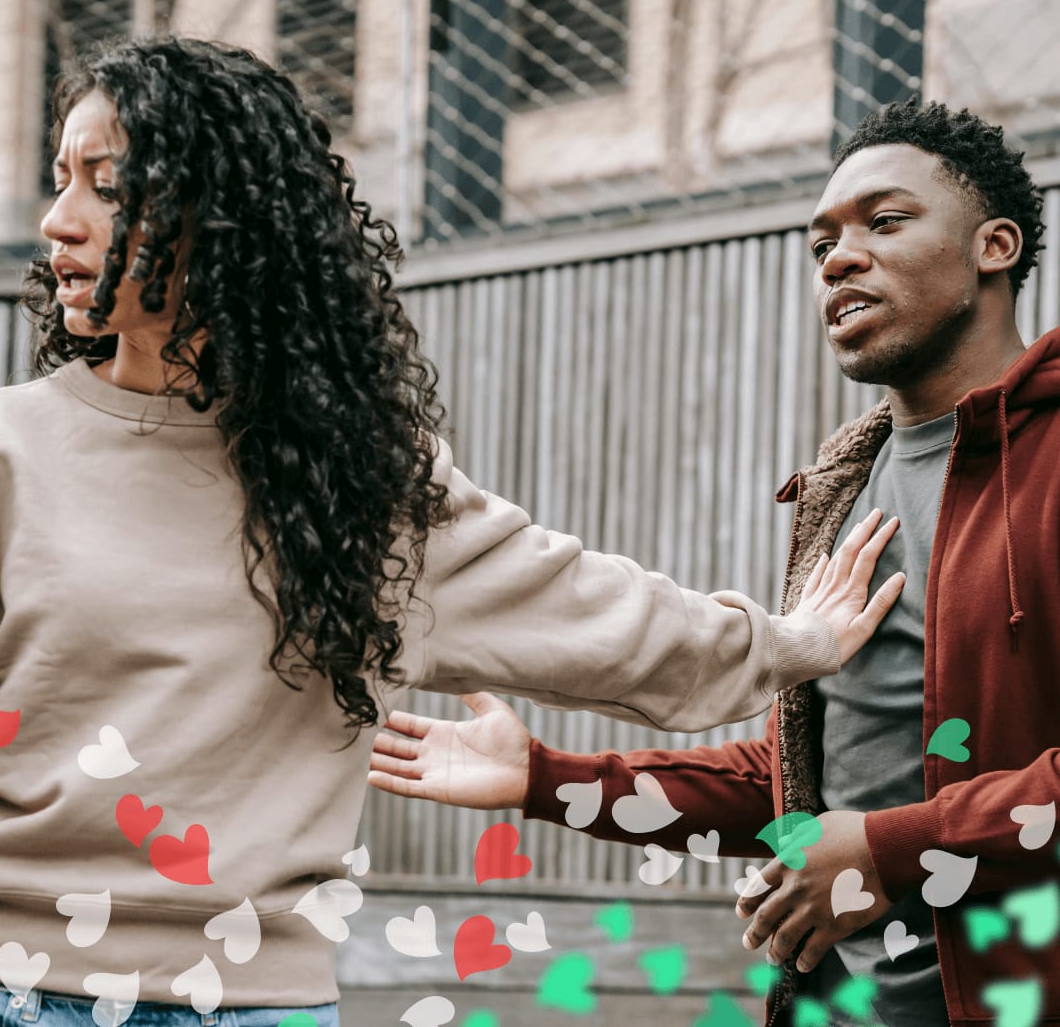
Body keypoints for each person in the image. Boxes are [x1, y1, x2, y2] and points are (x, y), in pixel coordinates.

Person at [0, 36, 902, 1025]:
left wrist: (794, 641)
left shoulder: (359, 486)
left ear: (227, 222)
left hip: (252, 1004)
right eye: (61, 178)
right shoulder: (4, 455)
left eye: (105, 186)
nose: (56, 220)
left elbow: (594, 610)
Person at [369, 100, 1060, 1027]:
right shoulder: (845, 486)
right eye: (822, 245)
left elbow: (867, 835)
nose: (840, 259)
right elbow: (790, 782)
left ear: (996, 247)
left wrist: (893, 848)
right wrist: (544, 778)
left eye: (884, 223)